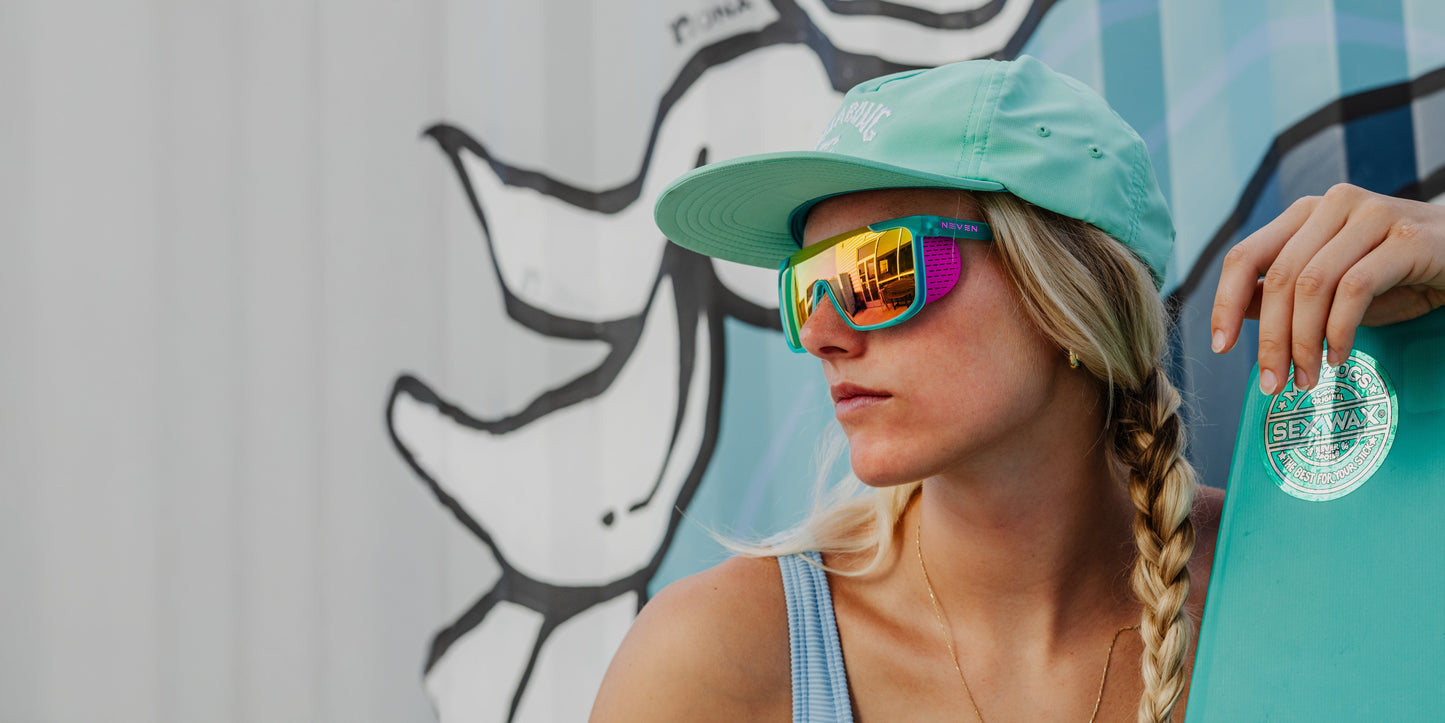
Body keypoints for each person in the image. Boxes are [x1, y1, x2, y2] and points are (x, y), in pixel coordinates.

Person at [589, 56, 1445, 722]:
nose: (820, 332)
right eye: (805, 284)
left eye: (878, 269)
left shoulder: (1301, 578)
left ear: (1065, 292)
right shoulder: (726, 657)